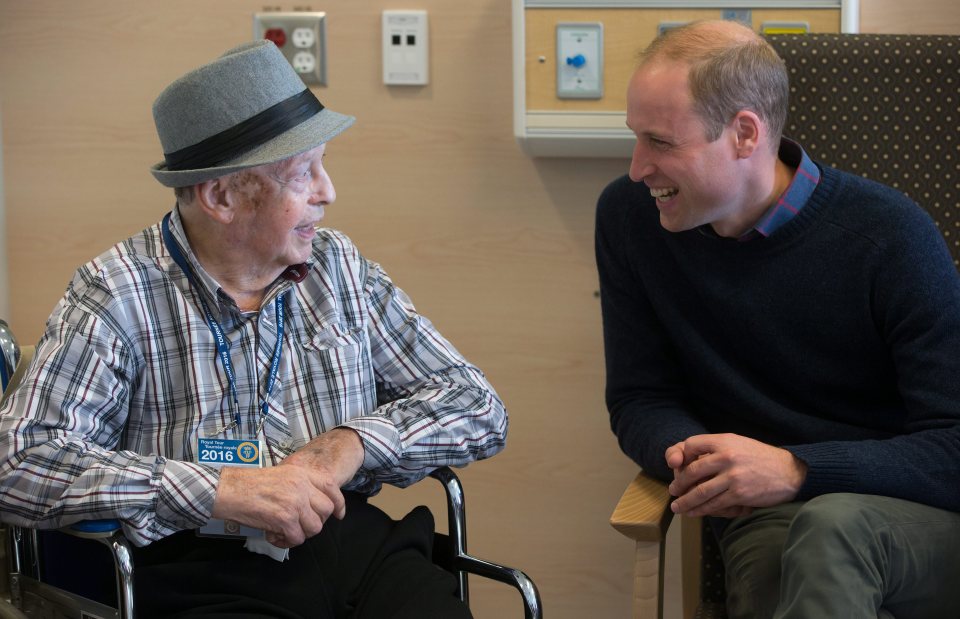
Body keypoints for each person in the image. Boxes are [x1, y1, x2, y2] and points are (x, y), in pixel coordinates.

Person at [0, 40, 507, 618]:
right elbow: (17, 460)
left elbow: (478, 405)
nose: (328, 191)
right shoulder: (118, 290)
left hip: (351, 542)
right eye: (303, 174)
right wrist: (218, 490)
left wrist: (349, 444)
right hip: (198, 565)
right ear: (222, 196)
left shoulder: (338, 267)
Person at [596, 19, 960, 619]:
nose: (638, 168)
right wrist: (701, 461)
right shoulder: (630, 221)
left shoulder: (889, 237)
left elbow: (953, 446)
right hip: (763, 513)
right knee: (777, 570)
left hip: (918, 514)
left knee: (833, 528)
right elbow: (640, 396)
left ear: (744, 133)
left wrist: (798, 468)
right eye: (635, 138)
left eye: (660, 143)